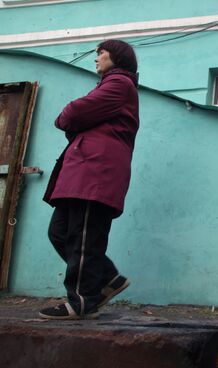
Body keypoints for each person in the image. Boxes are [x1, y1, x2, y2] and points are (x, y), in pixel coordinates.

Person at [39, 40, 139, 319]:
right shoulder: (112, 85)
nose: (96, 59)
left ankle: (82, 301)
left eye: (101, 54)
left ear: (116, 58)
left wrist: (67, 117)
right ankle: (108, 279)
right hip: (84, 172)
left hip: (95, 173)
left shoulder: (119, 84)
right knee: (60, 233)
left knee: (83, 238)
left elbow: (73, 113)